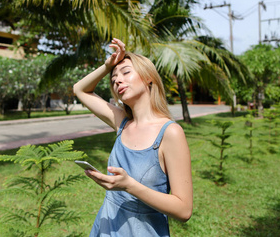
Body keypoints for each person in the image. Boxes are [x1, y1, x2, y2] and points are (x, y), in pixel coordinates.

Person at [73, 38, 193, 236]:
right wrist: (108, 65)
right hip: (105, 230)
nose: (118, 80)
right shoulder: (122, 122)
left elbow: (184, 209)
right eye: (114, 79)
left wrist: (129, 186)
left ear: (148, 78)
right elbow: (80, 89)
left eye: (126, 72)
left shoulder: (170, 133)